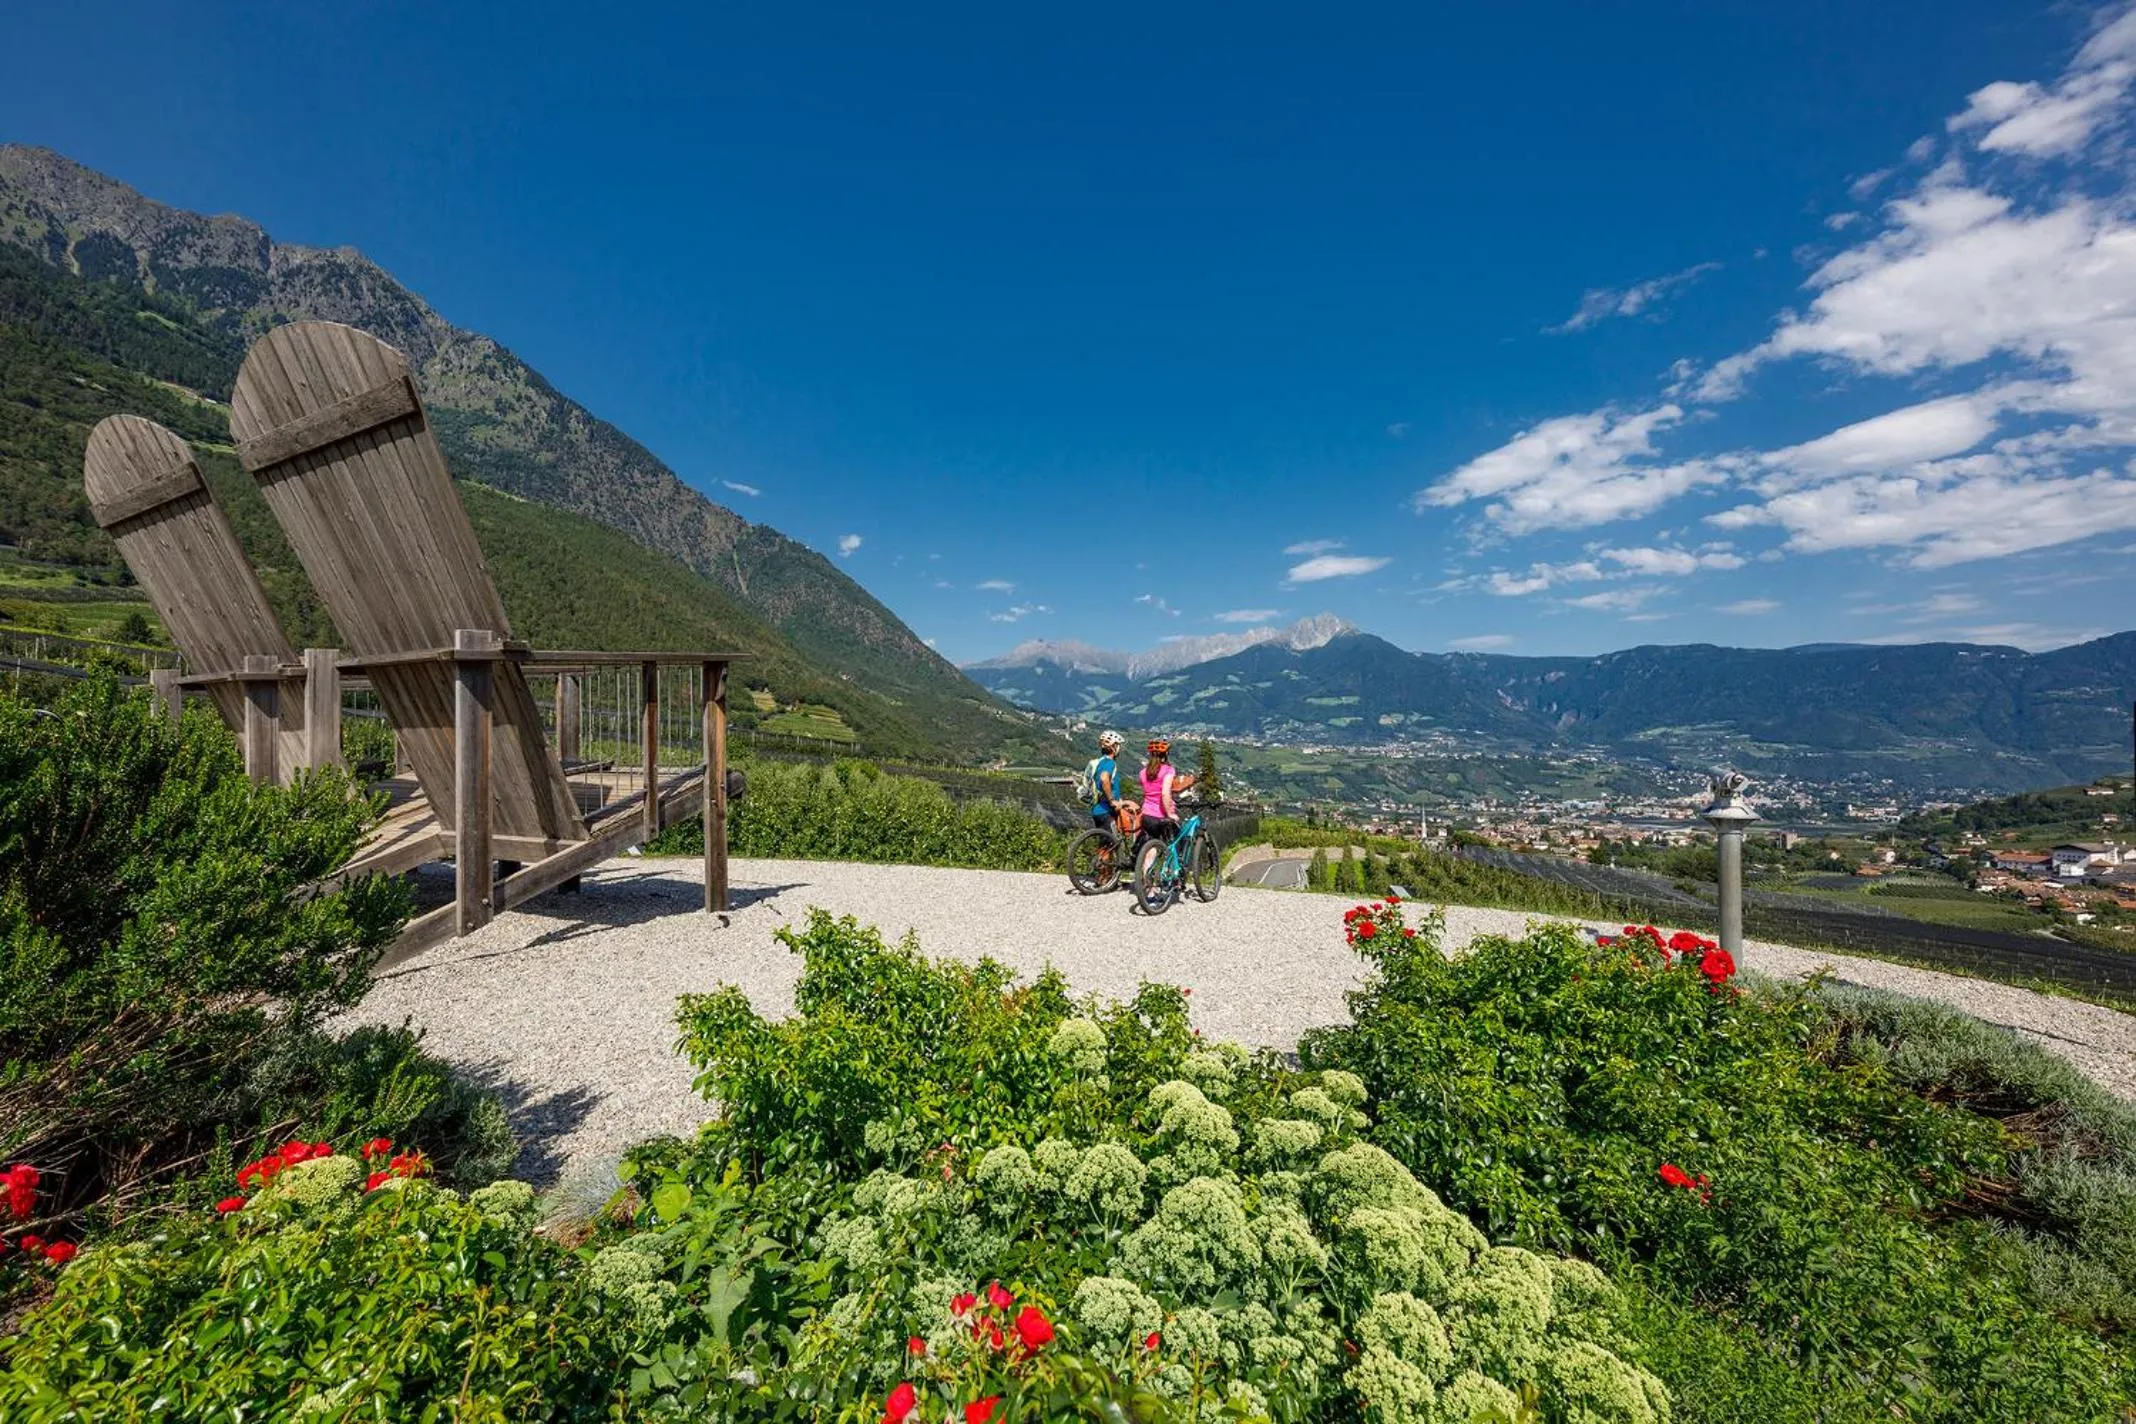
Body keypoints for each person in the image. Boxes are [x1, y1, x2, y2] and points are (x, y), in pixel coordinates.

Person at [1138, 737, 1183, 846]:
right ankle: (1178, 863)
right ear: (1166, 753)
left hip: (1146, 816)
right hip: (1161, 817)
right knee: (1180, 842)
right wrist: (1170, 814)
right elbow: (1164, 793)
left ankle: (1144, 864)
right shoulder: (1168, 770)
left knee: (1150, 849)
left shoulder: (1143, 772)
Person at [1088, 730, 1126, 839]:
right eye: (1118, 746)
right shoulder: (1110, 763)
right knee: (1111, 844)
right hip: (1106, 810)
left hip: (1097, 810)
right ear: (1114, 747)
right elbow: (1104, 779)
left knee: (1105, 846)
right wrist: (1112, 801)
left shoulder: (1099, 762)